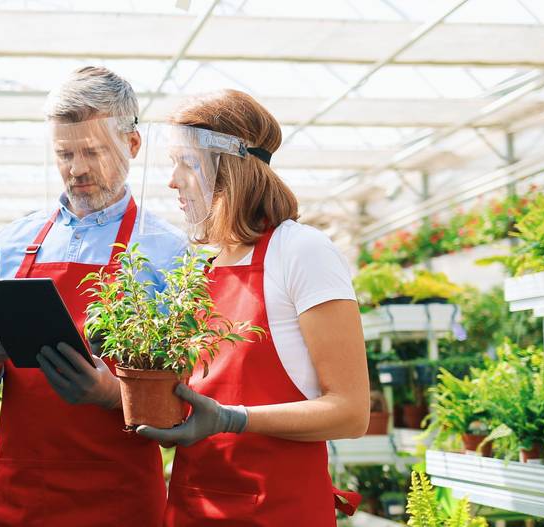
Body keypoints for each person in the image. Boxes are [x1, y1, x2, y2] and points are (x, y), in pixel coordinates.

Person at [0, 66, 187, 527]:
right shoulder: (13, 242)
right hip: (21, 494)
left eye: (92, 151)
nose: (77, 169)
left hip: (120, 498)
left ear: (132, 145)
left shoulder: (169, 252)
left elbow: (191, 395)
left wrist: (114, 394)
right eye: (64, 153)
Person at [135, 89, 369, 526]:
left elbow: (352, 412)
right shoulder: (201, 268)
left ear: (227, 166)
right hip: (193, 507)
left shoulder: (300, 251)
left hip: (277, 510)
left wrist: (232, 420)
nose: (171, 180)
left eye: (185, 162)